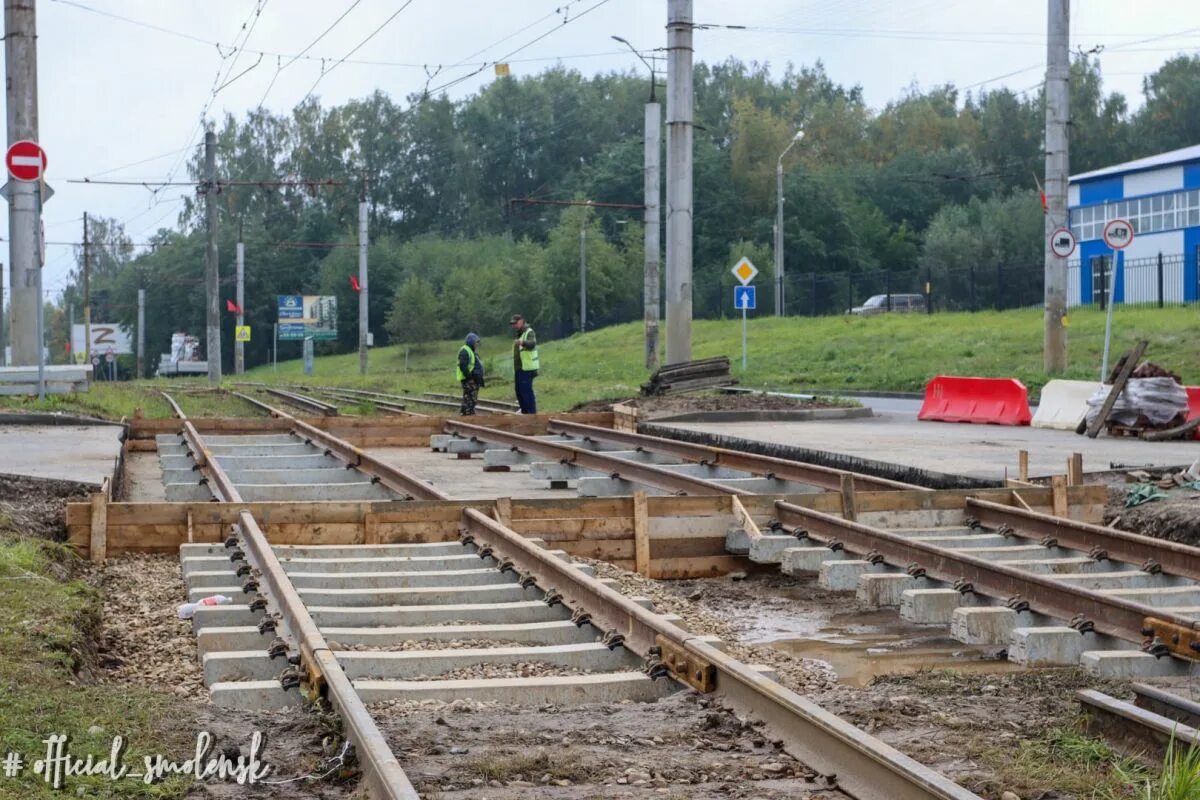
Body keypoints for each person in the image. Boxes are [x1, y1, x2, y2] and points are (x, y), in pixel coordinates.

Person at [510, 314, 539, 414]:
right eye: (513, 324)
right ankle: (524, 412)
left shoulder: (529, 332)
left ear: (522, 321)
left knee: (526, 392)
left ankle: (531, 414)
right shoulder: (519, 334)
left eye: (516, 323)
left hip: (527, 368)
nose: (514, 326)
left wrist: (522, 342)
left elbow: (532, 344)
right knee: (519, 392)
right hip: (519, 368)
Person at [456, 332, 484, 415]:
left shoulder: (471, 351)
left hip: (473, 380)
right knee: (469, 399)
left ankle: (469, 413)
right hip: (469, 380)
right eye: (476, 343)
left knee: (472, 399)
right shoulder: (465, 351)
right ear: (471, 342)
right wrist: (470, 377)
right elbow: (463, 366)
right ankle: (467, 415)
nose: (476, 345)